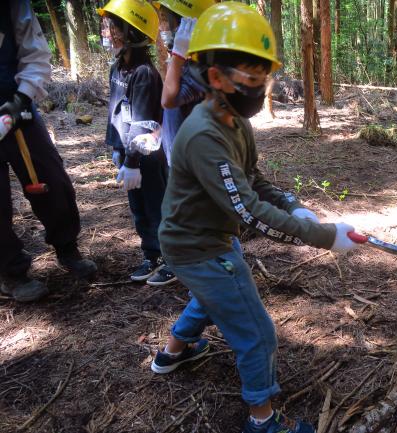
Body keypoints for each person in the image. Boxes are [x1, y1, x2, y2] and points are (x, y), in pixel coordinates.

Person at [150, 3, 358, 432]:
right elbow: (246, 209)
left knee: (215, 295)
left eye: (264, 75)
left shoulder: (232, 123)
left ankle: (172, 353)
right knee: (257, 331)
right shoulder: (205, 134)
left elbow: (254, 181)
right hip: (199, 247)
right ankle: (263, 420)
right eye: (249, 76)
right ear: (214, 77)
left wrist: (291, 202)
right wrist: (323, 236)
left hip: (204, 240)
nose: (259, 86)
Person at [0, 0, 97, 302]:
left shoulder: (14, 6)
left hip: (16, 105)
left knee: (51, 178)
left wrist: (20, 99)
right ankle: (11, 272)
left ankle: (67, 247)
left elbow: (35, 53)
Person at [99, 0, 176, 286]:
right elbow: (115, 112)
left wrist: (132, 161)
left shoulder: (144, 73)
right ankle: (151, 254)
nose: (108, 33)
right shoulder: (118, 68)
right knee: (139, 209)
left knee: (158, 207)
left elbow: (143, 123)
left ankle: (172, 258)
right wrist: (116, 148)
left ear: (131, 32)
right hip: (128, 155)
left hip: (146, 158)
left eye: (114, 27)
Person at [157, 0, 213, 166]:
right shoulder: (186, 66)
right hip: (179, 162)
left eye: (168, 21)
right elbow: (175, 113)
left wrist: (178, 55)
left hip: (191, 168)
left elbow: (167, 101)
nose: (163, 28)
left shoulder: (199, 70)